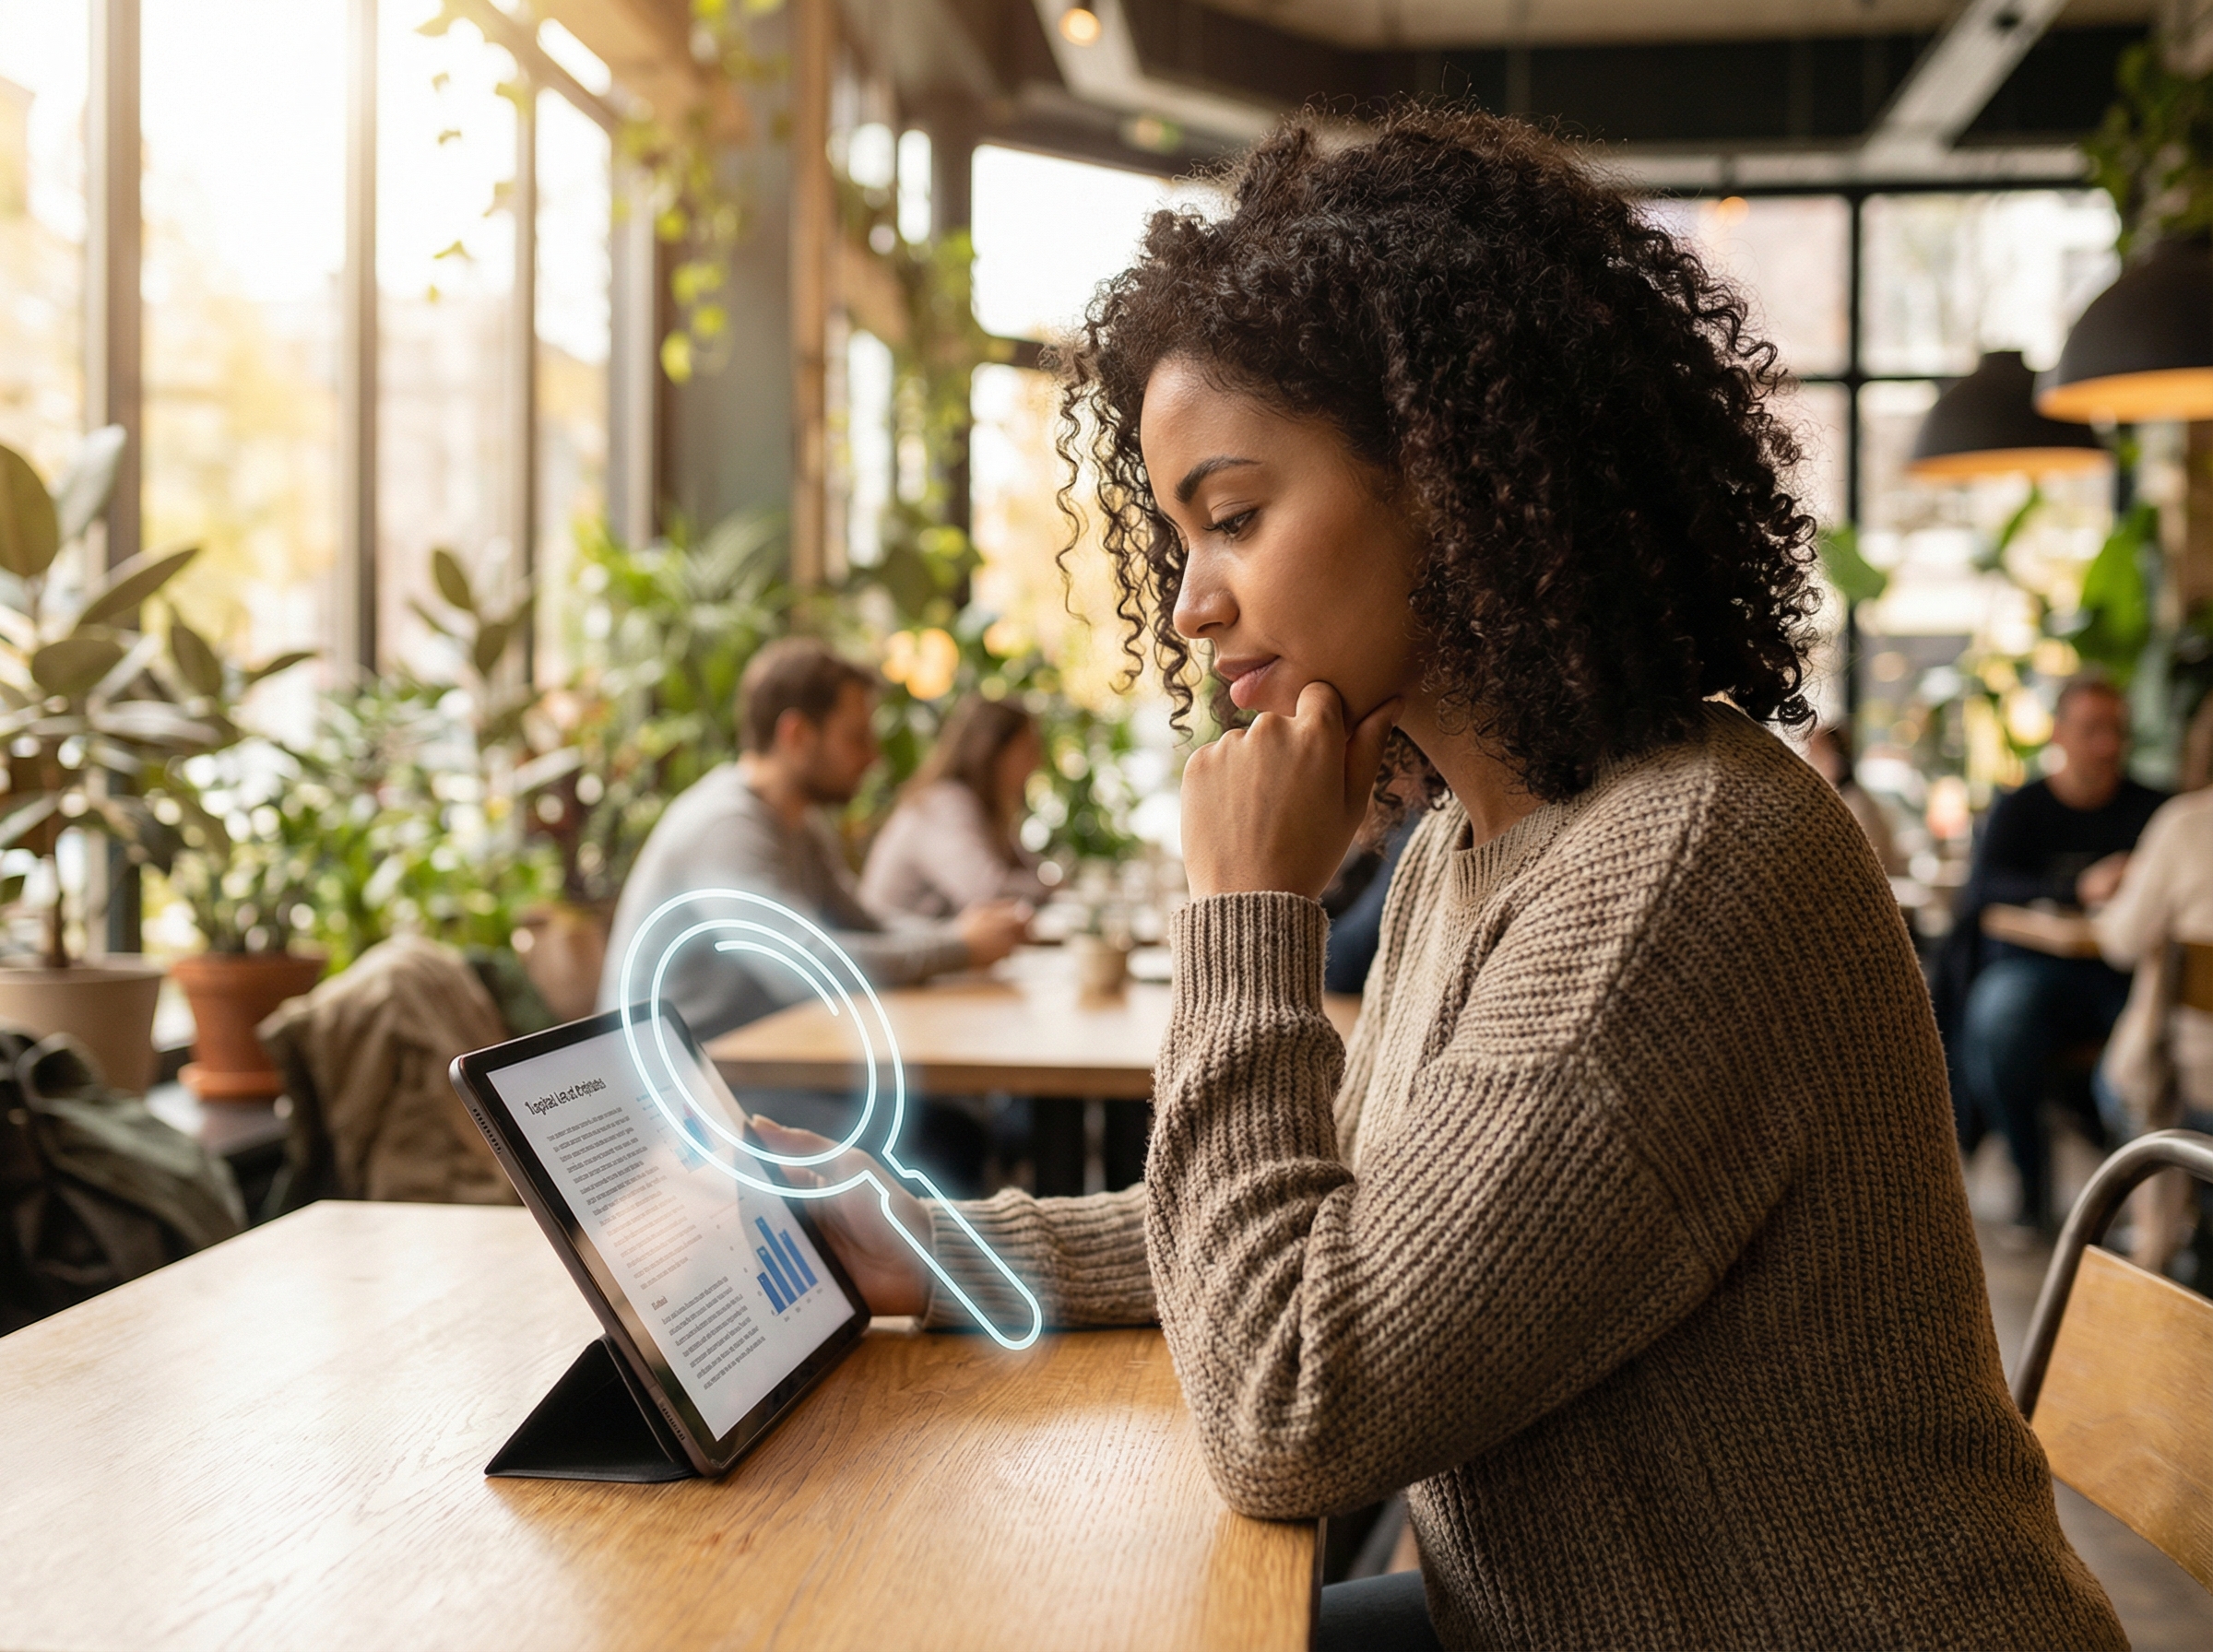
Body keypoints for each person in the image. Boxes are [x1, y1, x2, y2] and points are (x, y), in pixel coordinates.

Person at [754, 111, 2122, 1650]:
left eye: (1236, 514)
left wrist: (1246, 918)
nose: (1194, 601)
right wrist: (924, 1244)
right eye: (1178, 535)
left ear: (1452, 478)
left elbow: (1290, 1404)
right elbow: (1321, 1229)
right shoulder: (1469, 851)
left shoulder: (1677, 874)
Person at [597, 639, 1028, 1043]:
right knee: (945, 1122)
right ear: (797, 735)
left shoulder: (799, 822)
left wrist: (969, 934)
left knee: (953, 1117)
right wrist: (959, 947)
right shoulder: (725, 826)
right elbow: (803, 966)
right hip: (684, 1088)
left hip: (760, 1058)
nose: (874, 756)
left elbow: (866, 924)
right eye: (856, 737)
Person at [1945, 678, 2166, 1233]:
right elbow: (1985, 891)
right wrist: (2078, 889)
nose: (2107, 744)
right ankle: (2031, 1186)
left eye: (2116, 730)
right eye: (2092, 730)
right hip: (2036, 969)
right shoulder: (2021, 809)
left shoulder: (2157, 810)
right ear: (2060, 735)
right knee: (1998, 1018)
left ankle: (2136, 1207)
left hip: (2127, 970)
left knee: (2157, 1034)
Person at [860, 694, 1050, 919]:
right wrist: (1051, 888)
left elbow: (1023, 871)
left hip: (930, 945)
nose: (1038, 763)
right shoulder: (944, 804)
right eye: (1028, 750)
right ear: (992, 752)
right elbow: (987, 892)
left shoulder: (986, 808)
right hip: (899, 947)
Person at [1805, 723, 1904, 876]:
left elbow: (1858, 861)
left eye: (1819, 755)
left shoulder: (1857, 805)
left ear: (1837, 757)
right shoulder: (1836, 800)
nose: (1813, 765)